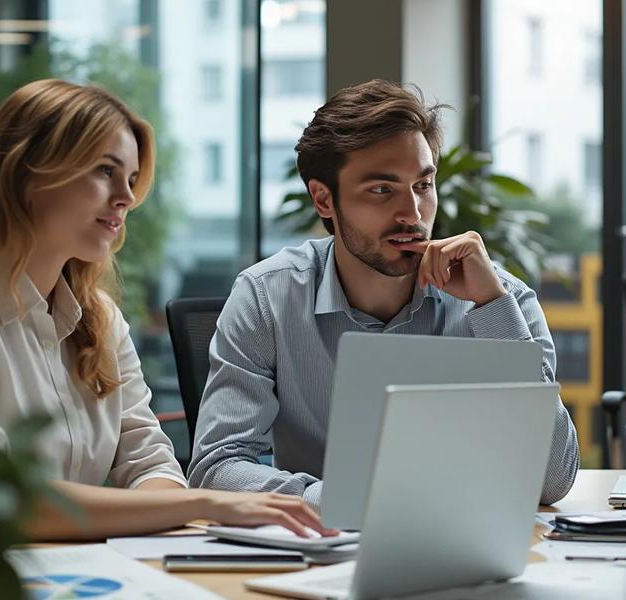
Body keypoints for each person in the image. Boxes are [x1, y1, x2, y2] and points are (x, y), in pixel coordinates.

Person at [0, 78, 335, 540]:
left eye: (130, 179)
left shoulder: (99, 320)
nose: (127, 198)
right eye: (105, 171)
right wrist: (207, 502)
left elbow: (153, 465)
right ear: (29, 170)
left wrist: (175, 499)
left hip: (82, 575)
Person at [188, 79, 579, 509]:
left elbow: (552, 480)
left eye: (423, 186)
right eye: (381, 190)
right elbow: (216, 467)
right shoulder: (267, 298)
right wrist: (336, 498)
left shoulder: (499, 298)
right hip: (317, 552)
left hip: (462, 548)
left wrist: (493, 309)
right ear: (324, 199)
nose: (412, 214)